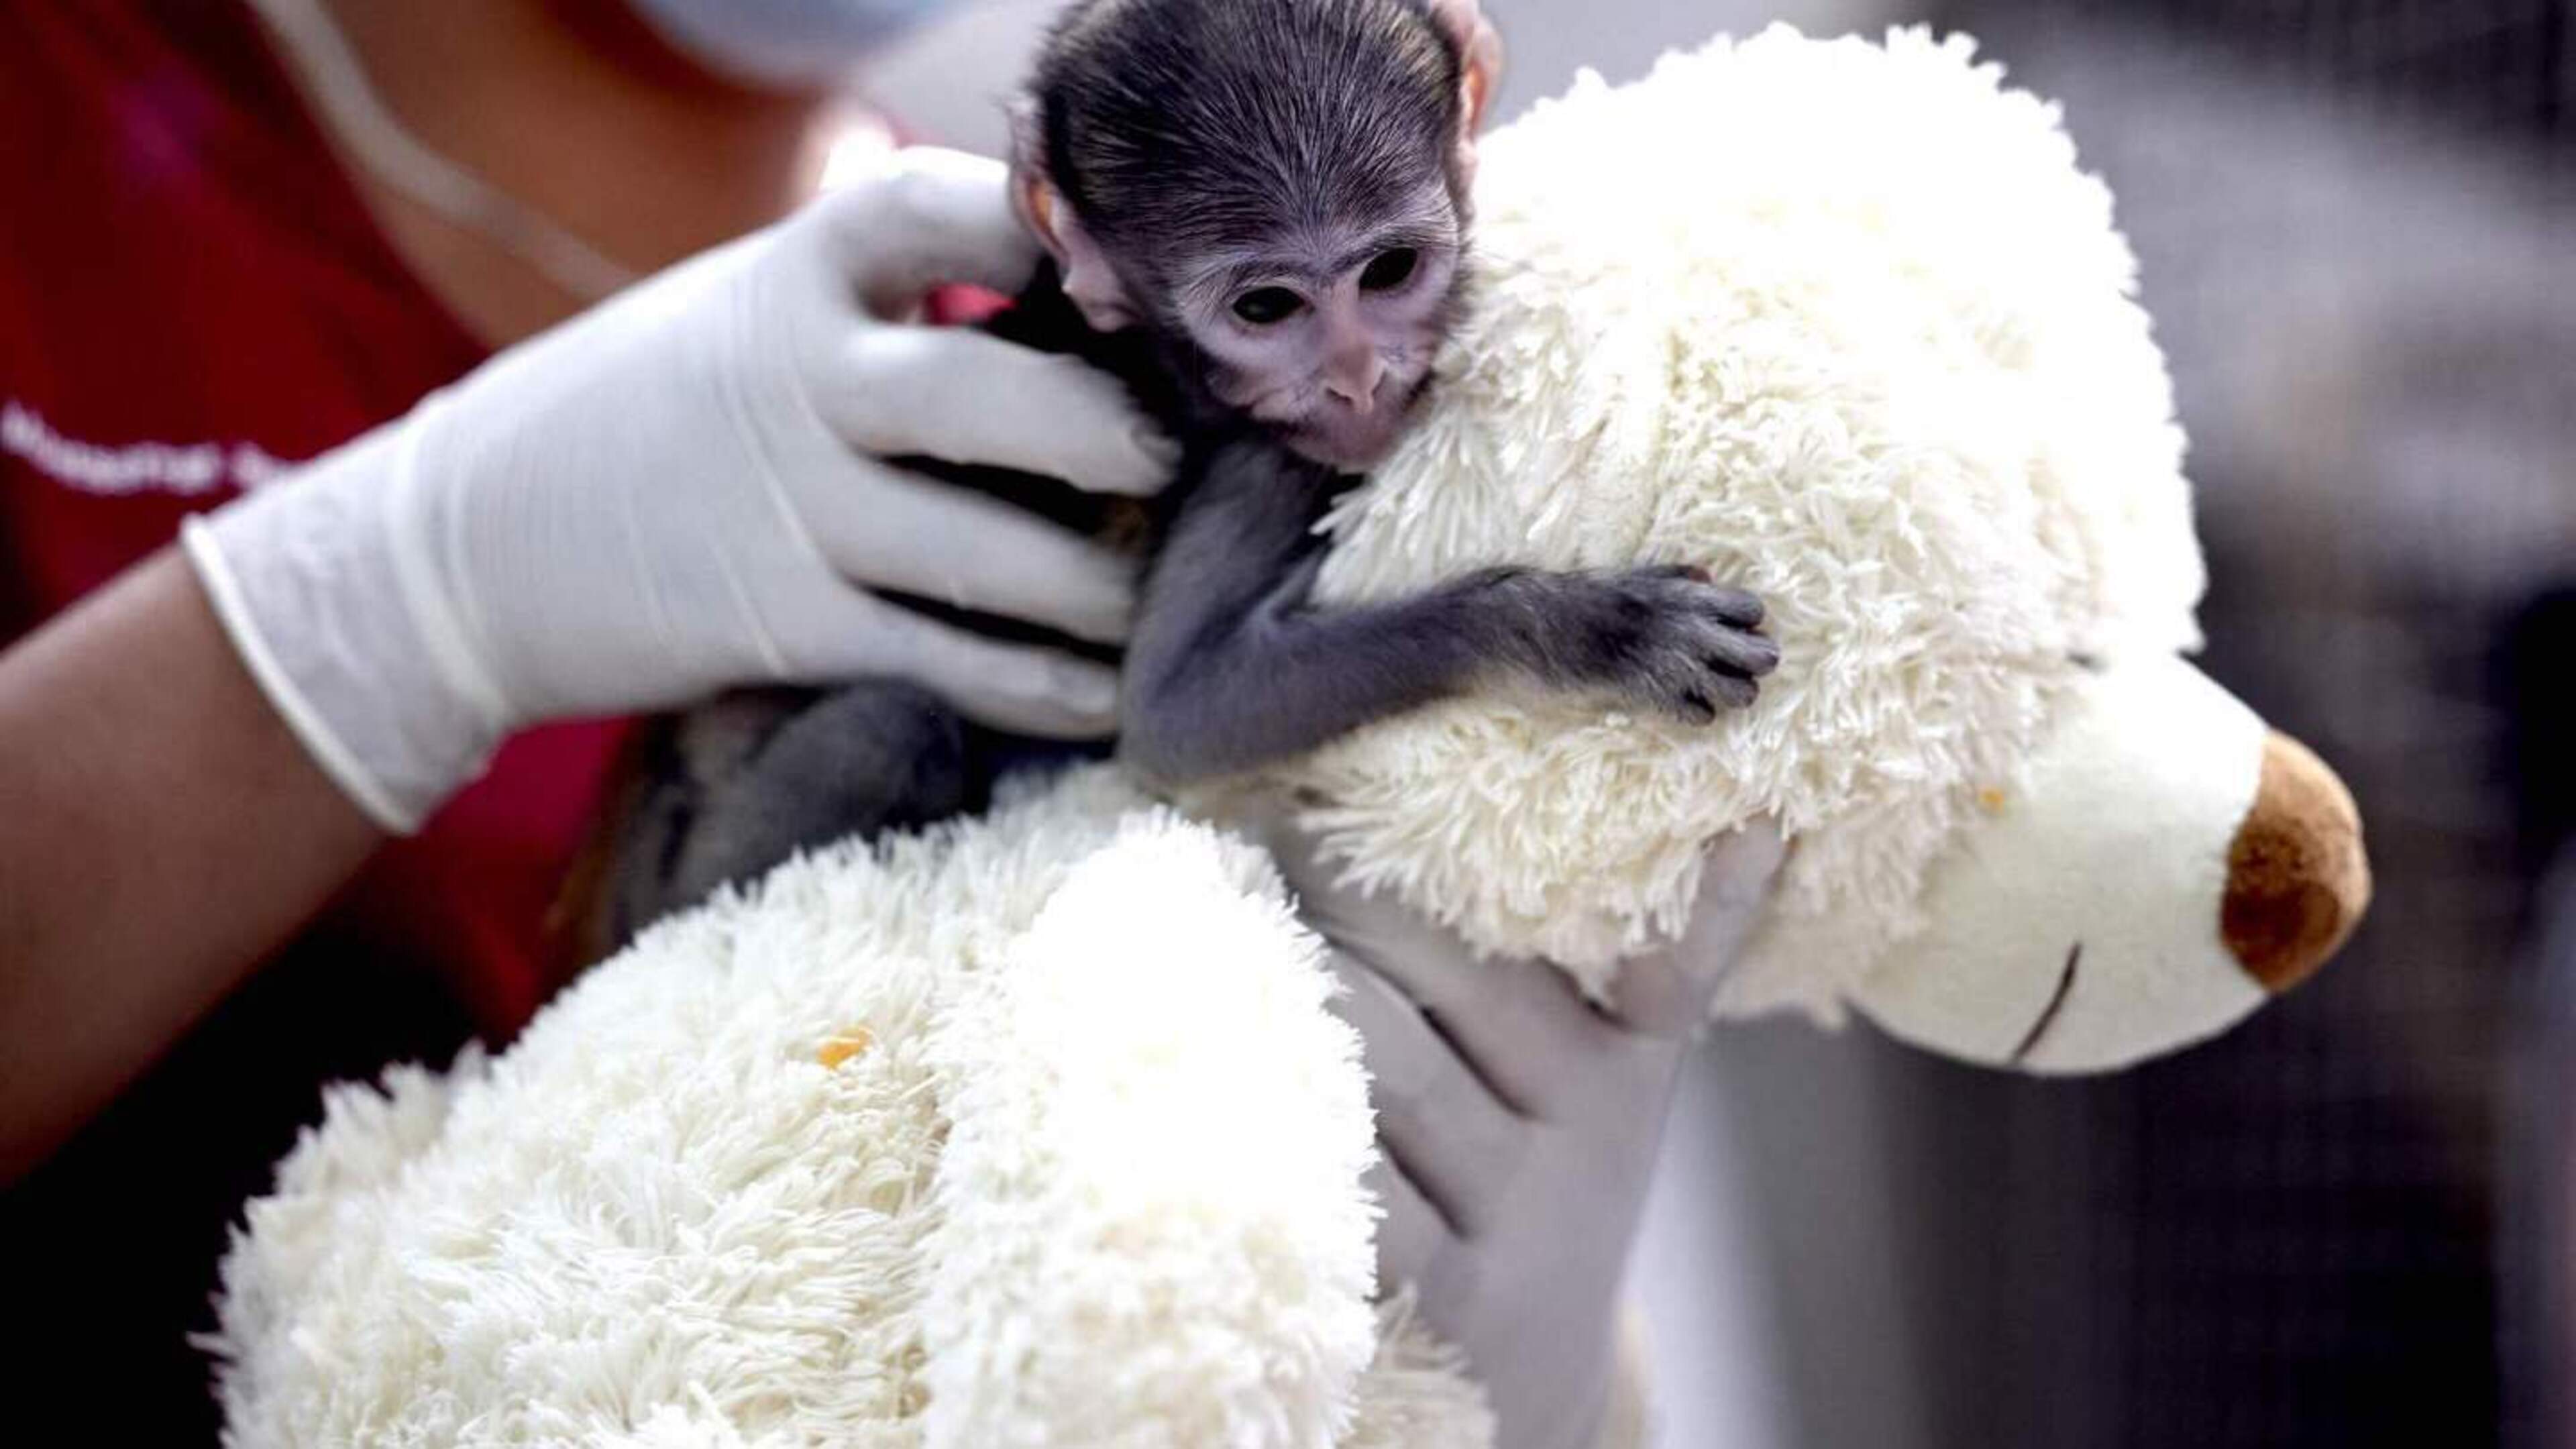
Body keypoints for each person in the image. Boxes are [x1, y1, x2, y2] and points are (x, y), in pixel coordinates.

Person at [0, 3, 1776, 1445]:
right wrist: (380, 610)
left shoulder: (1071, 259)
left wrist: (1538, 1400)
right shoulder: (57, 104)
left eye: (1391, 276)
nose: (1365, 371)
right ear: (1083, 245)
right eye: (1271, 308)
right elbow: (1195, 707)